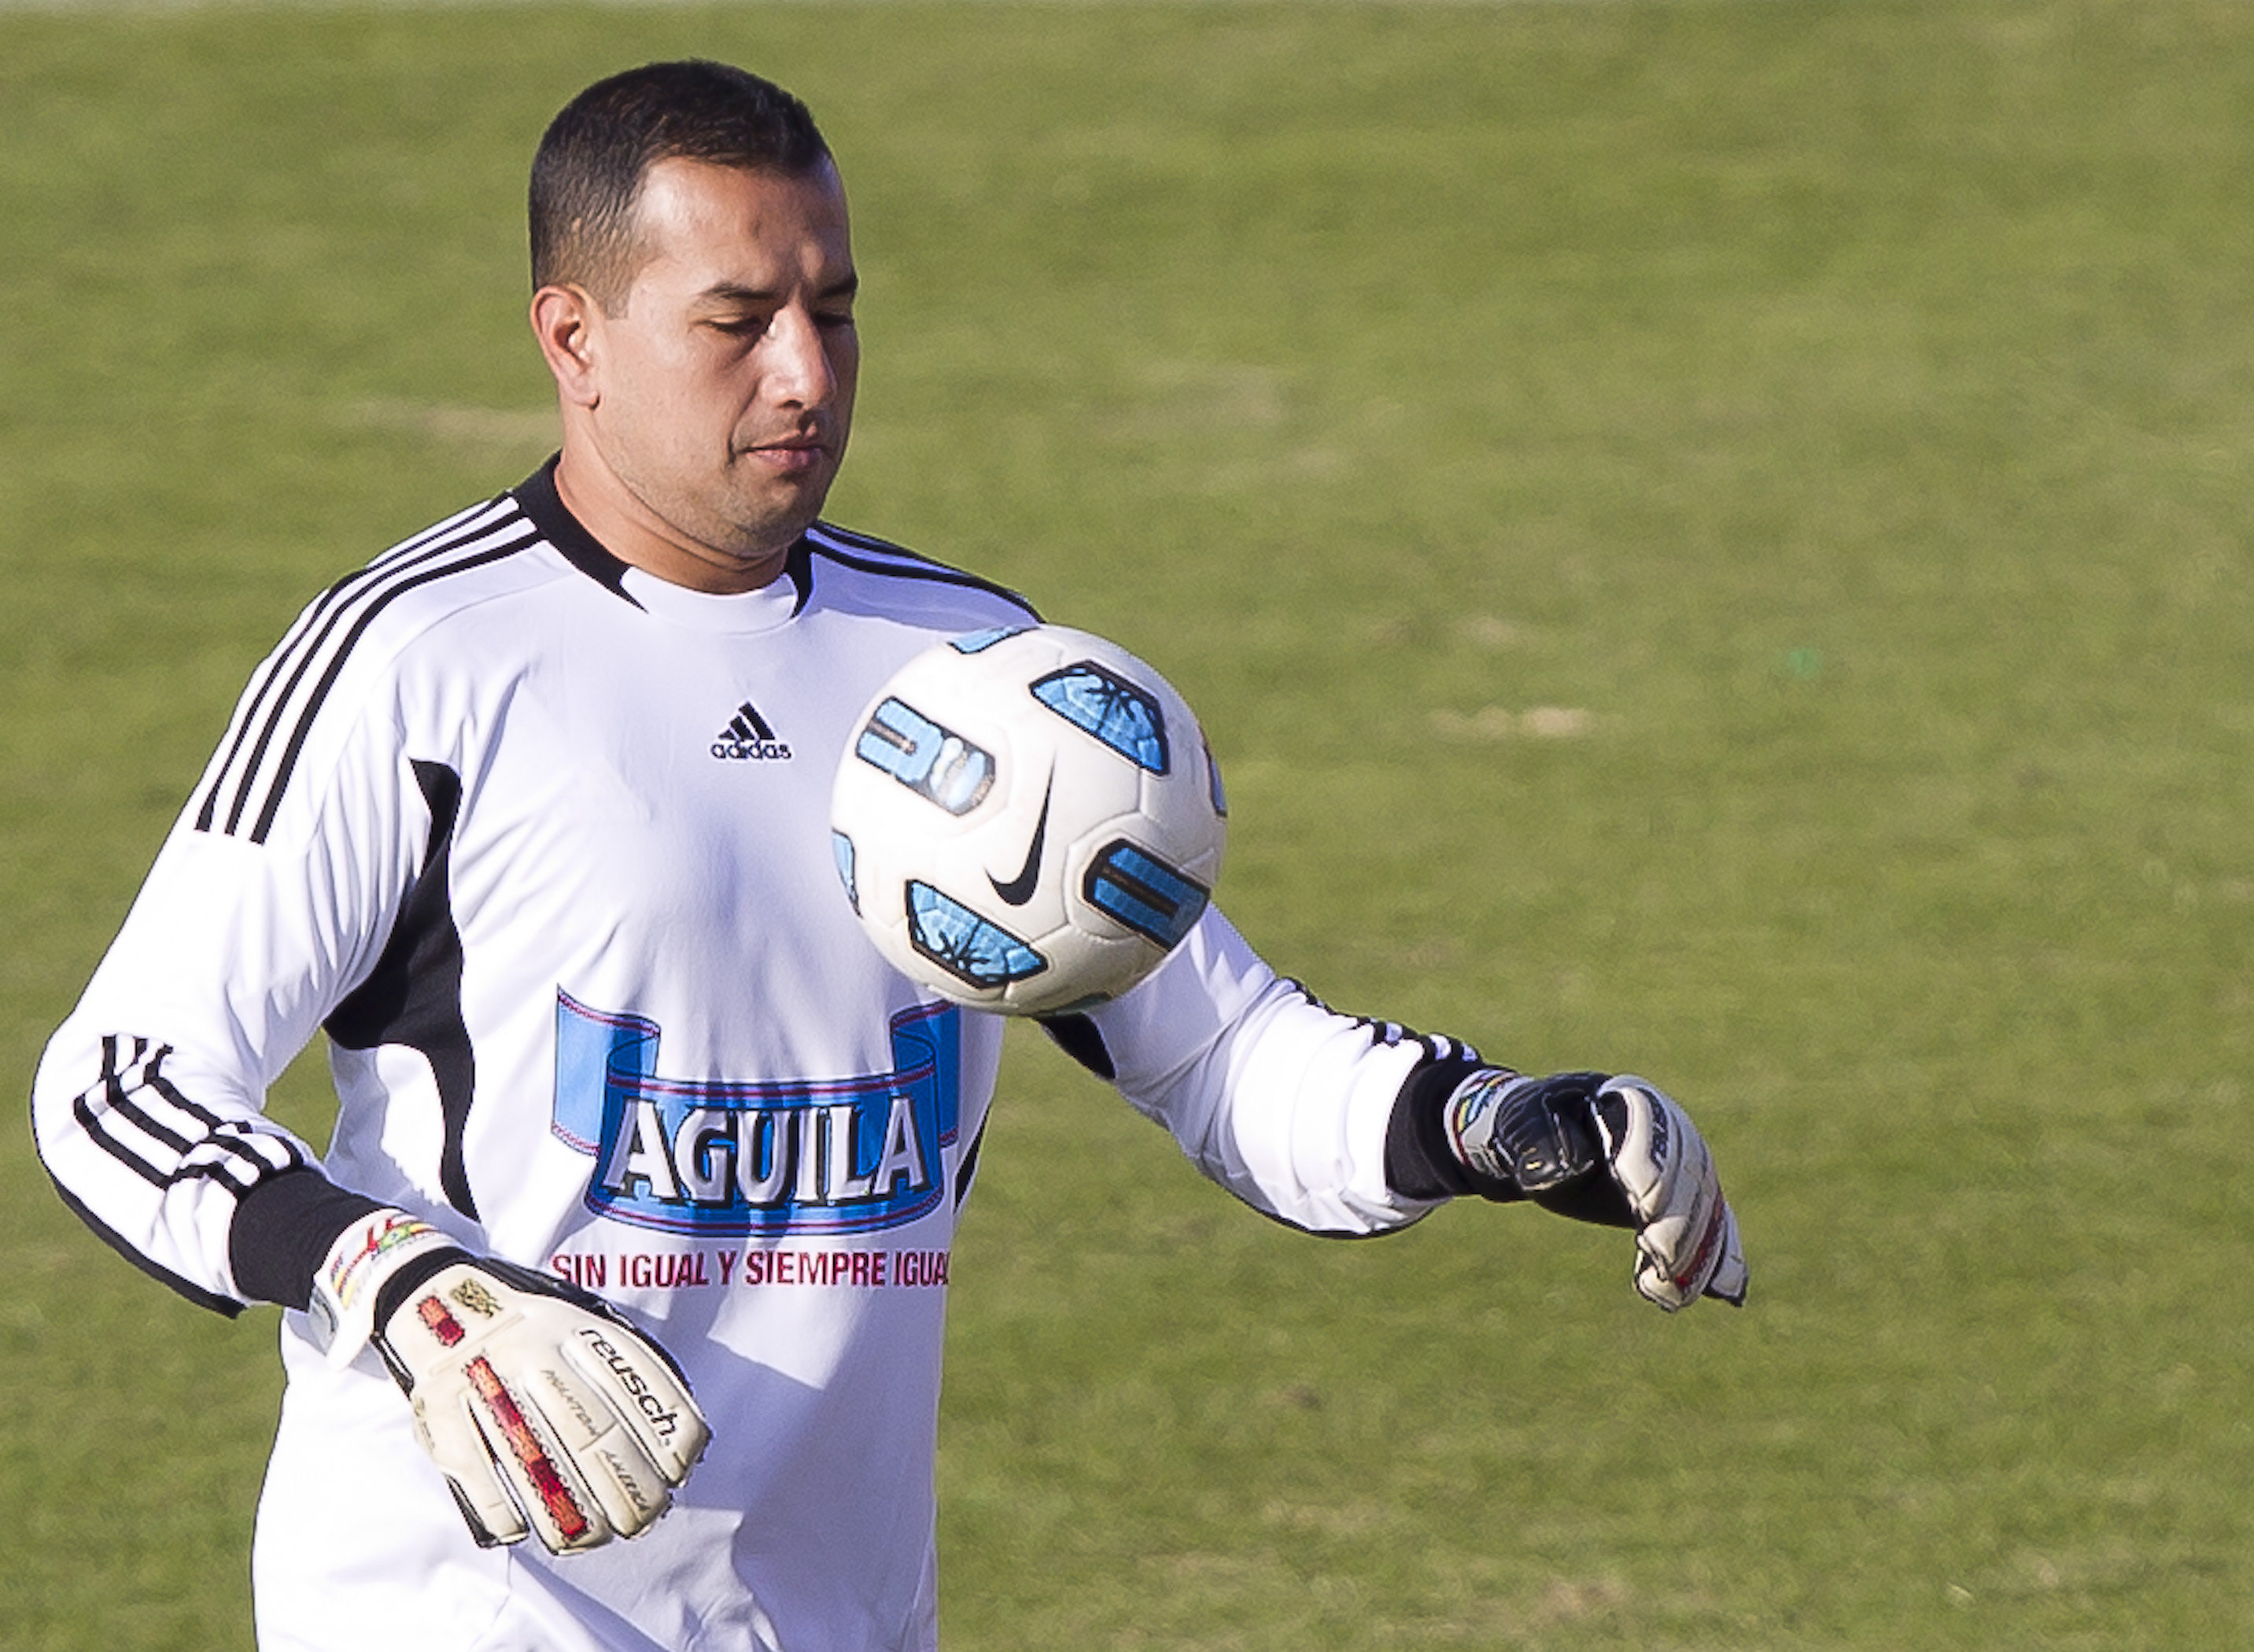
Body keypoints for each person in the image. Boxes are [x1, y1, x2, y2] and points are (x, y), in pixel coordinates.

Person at [30, 59, 1747, 1652]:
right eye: (737, 322)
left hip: (832, 1616)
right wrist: (384, 1271)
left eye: (833, 311)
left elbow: (1222, 1049)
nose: (806, 373)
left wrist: (1489, 1124)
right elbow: (116, 1083)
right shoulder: (416, 662)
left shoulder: (969, 682)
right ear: (576, 335)